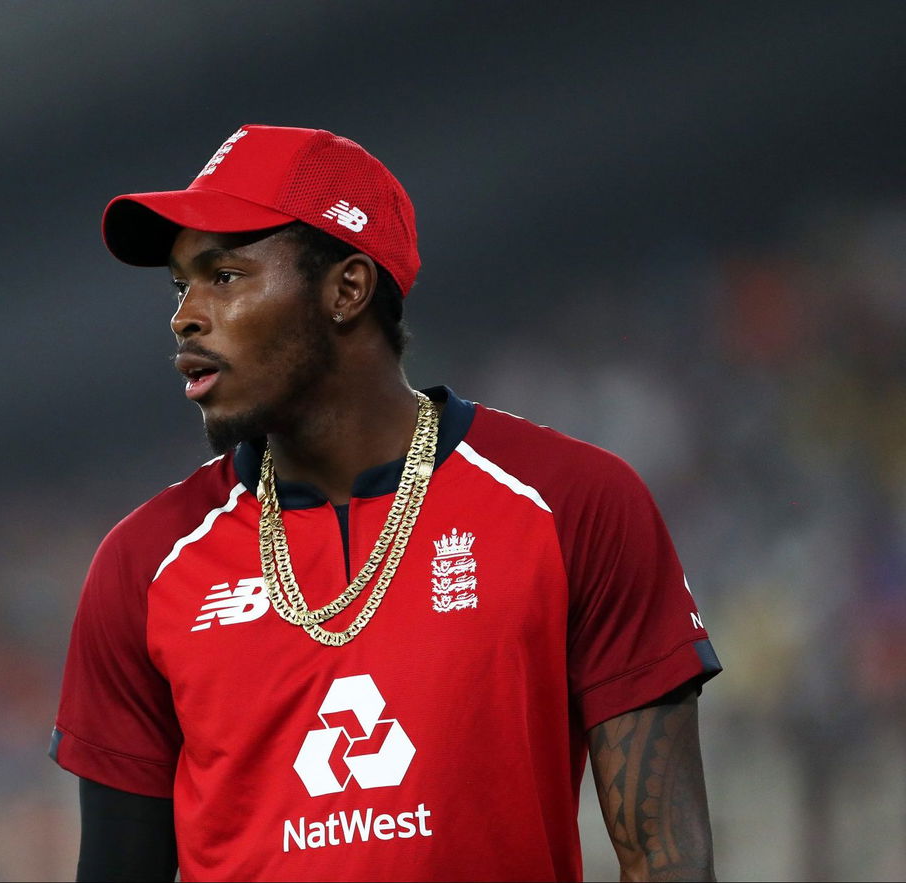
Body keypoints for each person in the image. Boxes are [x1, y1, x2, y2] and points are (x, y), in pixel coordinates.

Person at [49, 124, 722, 882]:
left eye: (224, 276)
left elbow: (668, 860)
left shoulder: (572, 503)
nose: (185, 316)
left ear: (347, 288)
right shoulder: (143, 565)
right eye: (181, 284)